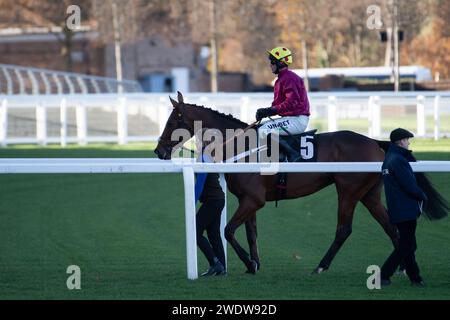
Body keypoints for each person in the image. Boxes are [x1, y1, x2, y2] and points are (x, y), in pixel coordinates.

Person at [380, 128, 428, 287]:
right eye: (407, 140)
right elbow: (409, 185)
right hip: (405, 209)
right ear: (400, 142)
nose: (409, 142)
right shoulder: (398, 160)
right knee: (407, 245)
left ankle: (415, 278)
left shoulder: (389, 158)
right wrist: (422, 196)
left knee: (408, 244)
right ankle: (384, 274)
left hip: (397, 208)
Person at [255, 46, 311, 162]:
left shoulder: (289, 78)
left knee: (264, 130)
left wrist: (270, 111)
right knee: (260, 127)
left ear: (280, 63)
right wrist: (265, 111)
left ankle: (292, 154)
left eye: (272, 62)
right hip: (291, 119)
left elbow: (291, 103)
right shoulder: (281, 79)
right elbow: (277, 105)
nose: (270, 65)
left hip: (297, 120)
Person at [194, 128, 226, 276]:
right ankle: (222, 269)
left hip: (213, 201)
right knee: (213, 234)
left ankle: (215, 263)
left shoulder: (203, 156)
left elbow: (200, 184)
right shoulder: (207, 155)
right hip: (217, 199)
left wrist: (191, 202)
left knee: (195, 231)